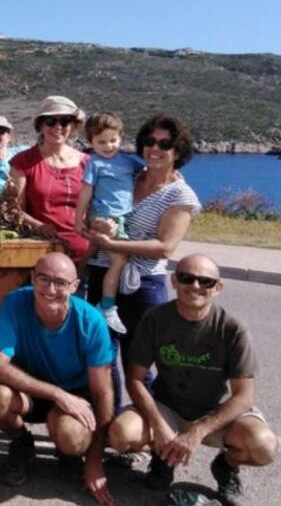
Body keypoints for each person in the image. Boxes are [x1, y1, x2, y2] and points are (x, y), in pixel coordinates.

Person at [109, 255, 277, 506]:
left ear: (217, 288)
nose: (195, 285)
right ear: (174, 281)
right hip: (169, 408)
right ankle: (161, 457)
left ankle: (226, 466)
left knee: (263, 446)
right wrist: (160, 426)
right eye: (187, 277)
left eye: (205, 281)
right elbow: (135, 379)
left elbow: (243, 397)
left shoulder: (232, 329)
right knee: (121, 434)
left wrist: (196, 433)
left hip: (215, 413)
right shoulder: (156, 318)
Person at [0, 252, 115, 506]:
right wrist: (57, 394)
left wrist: (95, 462)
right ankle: (22, 442)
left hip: (76, 397)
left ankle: (70, 453)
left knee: (71, 436)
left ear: (75, 287)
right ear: (32, 278)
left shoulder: (91, 322)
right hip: (33, 392)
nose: (50, 289)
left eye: (61, 283)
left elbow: (103, 394)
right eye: (43, 279)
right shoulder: (15, 303)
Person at [82, 114, 201, 358]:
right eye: (149, 141)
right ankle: (107, 399)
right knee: (99, 355)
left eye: (165, 144)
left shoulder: (180, 195)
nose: (155, 148)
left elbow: (165, 247)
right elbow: (94, 205)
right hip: (100, 273)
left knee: (138, 360)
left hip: (143, 283)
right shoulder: (128, 173)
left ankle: (141, 398)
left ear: (177, 152)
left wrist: (112, 243)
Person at [73, 112, 141, 335]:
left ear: (121, 138)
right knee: (118, 260)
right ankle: (107, 305)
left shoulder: (129, 162)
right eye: (101, 142)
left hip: (122, 218)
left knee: (93, 250)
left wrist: (173, 175)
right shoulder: (95, 163)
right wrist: (78, 219)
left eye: (113, 140)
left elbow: (150, 176)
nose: (108, 146)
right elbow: (85, 192)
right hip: (103, 216)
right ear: (91, 142)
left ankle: (79, 278)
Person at [9, 95, 91, 262]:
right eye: (51, 121)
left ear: (74, 125)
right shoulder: (23, 162)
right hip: (43, 255)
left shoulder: (88, 163)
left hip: (88, 256)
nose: (58, 127)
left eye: (65, 121)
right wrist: (39, 226)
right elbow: (13, 208)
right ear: (40, 125)